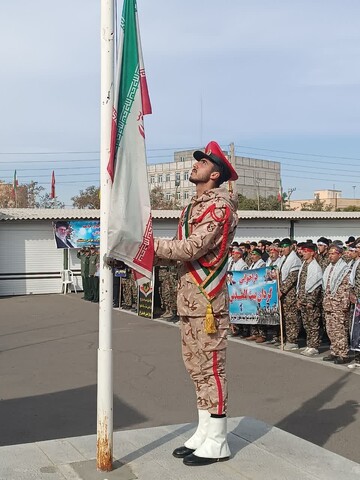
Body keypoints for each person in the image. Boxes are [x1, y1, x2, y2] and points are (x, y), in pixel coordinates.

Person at [154, 141, 238, 466]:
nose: (195, 165)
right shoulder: (191, 207)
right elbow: (179, 254)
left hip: (207, 303)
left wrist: (146, 246)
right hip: (188, 300)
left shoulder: (220, 207)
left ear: (214, 174)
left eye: (202, 162)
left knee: (212, 368)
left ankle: (218, 440)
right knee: (195, 367)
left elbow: (190, 248)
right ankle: (205, 431)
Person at [322, 243, 351, 364]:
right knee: (330, 329)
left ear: (339, 254)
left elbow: (346, 288)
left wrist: (344, 305)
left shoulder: (344, 269)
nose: (330, 256)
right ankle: (334, 351)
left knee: (339, 329)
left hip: (339, 304)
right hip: (329, 303)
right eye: (329, 253)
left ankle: (343, 353)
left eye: (333, 253)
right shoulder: (329, 267)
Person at [296, 243, 323, 357]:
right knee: (307, 324)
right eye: (303, 251)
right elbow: (300, 284)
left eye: (306, 251)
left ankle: (314, 346)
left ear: (312, 252)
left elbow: (316, 286)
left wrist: (311, 302)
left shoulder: (315, 267)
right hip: (302, 299)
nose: (303, 253)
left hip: (311, 302)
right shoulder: (304, 265)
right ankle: (309, 344)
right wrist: (298, 299)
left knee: (313, 324)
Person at [278, 238, 302, 350]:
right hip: (283, 293)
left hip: (290, 293)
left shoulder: (295, 260)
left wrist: (282, 290)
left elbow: (292, 278)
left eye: (285, 247)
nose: (283, 249)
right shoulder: (283, 259)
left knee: (292, 318)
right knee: (285, 317)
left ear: (291, 247)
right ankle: (287, 339)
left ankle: (293, 340)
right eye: (282, 247)